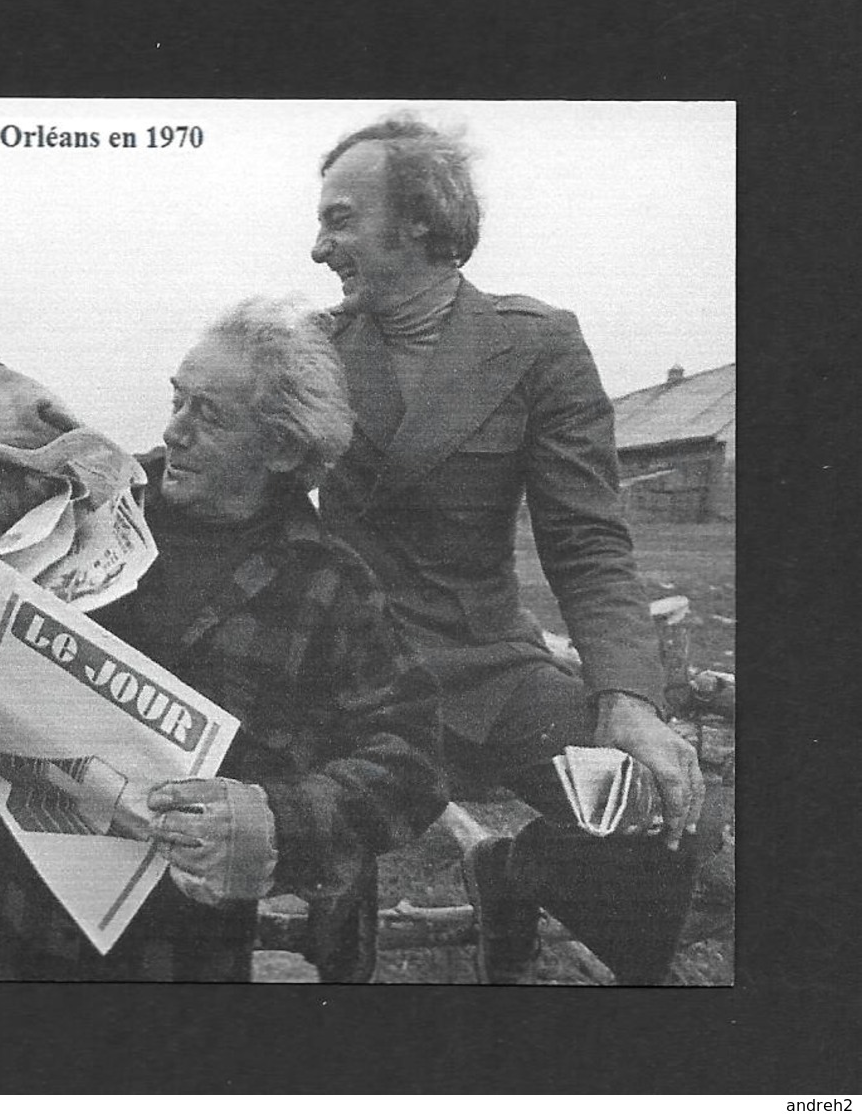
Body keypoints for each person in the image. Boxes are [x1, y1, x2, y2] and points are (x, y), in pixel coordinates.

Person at [0, 295, 447, 981]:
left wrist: (276, 820)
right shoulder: (84, 499)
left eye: (206, 414)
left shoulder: (330, 583)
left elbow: (412, 760)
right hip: (10, 919)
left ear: (280, 446)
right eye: (177, 400)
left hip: (179, 957)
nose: (174, 431)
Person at [308, 112, 722, 984]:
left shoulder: (537, 344)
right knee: (322, 881)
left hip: (486, 671)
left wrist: (624, 694)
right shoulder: (309, 350)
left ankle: (511, 874)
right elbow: (216, 464)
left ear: (418, 219)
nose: (318, 247)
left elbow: (587, 541)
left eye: (340, 219)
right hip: (343, 670)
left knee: (653, 816)